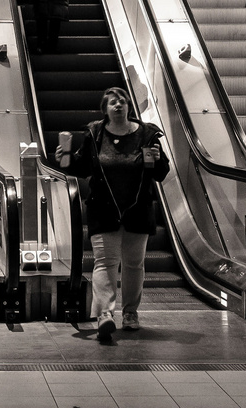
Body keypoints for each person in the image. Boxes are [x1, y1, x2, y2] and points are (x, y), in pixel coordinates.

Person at [57, 87, 171, 344]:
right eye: (112, 102)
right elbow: (83, 166)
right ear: (105, 110)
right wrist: (64, 159)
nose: (117, 105)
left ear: (128, 106)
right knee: (105, 262)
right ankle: (105, 314)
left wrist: (158, 160)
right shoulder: (95, 134)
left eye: (121, 100)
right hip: (103, 208)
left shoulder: (147, 135)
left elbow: (161, 172)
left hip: (137, 209)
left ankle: (130, 313)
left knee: (133, 265)